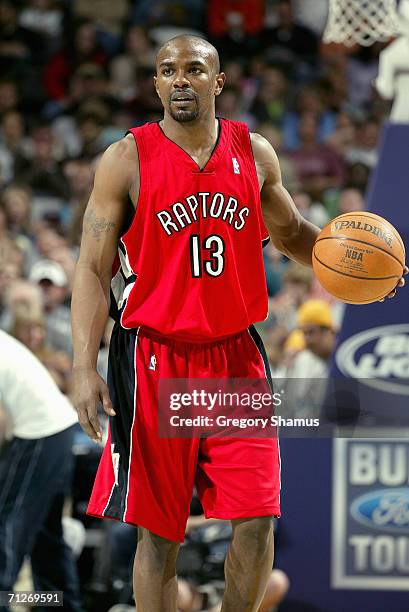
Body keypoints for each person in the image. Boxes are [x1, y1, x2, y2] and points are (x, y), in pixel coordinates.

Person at [71, 35, 407, 612]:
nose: (181, 79)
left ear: (217, 82)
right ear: (154, 84)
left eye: (195, 69)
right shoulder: (126, 159)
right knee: (161, 534)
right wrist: (83, 367)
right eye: (168, 70)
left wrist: (354, 266)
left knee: (255, 516)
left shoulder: (253, 153)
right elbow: (91, 268)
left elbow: (294, 234)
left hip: (235, 358)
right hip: (155, 356)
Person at [0, 330, 82, 612]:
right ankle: (63, 606)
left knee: (6, 526)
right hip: (58, 429)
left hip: (39, 432)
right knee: (47, 540)